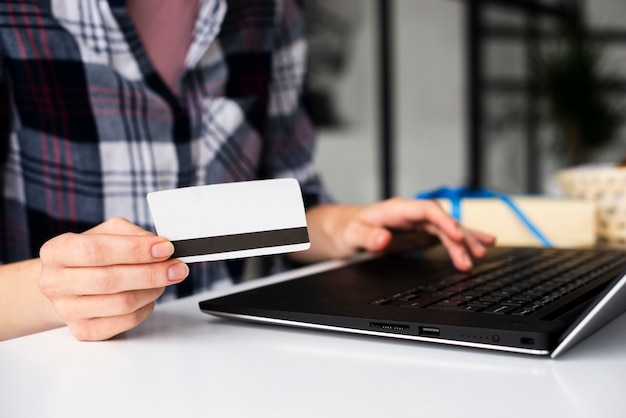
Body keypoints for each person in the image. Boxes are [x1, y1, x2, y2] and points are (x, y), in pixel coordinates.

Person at [0, 0, 495, 342]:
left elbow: (293, 210)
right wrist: (50, 292)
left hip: (228, 357)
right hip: (53, 370)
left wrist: (349, 225)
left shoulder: (271, 11)